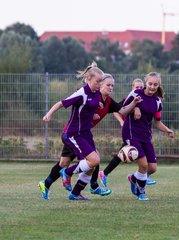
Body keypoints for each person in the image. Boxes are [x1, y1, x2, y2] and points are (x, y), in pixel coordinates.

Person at [38, 68, 141, 200]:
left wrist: (134, 103)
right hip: (74, 134)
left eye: (111, 85)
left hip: (84, 134)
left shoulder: (104, 99)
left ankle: (49, 185)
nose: (109, 87)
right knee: (93, 160)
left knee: (68, 162)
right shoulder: (86, 93)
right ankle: (88, 183)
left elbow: (122, 110)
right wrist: (48, 114)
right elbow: (65, 103)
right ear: (94, 81)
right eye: (105, 84)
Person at [122, 72, 174, 201]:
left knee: (152, 168)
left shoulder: (157, 102)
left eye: (155, 85)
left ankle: (134, 178)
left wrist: (167, 130)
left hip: (145, 136)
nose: (152, 87)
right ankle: (141, 192)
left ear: (158, 85)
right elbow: (122, 110)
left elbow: (157, 122)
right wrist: (135, 108)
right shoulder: (136, 94)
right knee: (144, 165)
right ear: (146, 83)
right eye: (150, 84)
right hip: (131, 132)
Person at [98, 78, 157, 188]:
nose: (139, 89)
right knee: (130, 156)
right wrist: (122, 120)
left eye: (140, 87)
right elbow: (117, 110)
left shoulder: (147, 99)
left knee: (122, 154)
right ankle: (140, 177)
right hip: (130, 131)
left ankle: (106, 173)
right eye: (136, 87)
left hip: (141, 133)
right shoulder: (129, 98)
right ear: (132, 88)